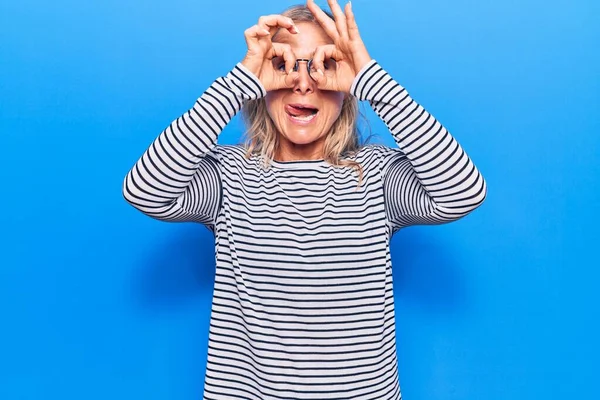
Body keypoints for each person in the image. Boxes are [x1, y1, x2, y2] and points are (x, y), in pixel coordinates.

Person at [122, 0, 487, 398]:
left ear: (346, 91)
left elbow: (462, 192)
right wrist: (240, 80)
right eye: (285, 66)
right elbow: (145, 190)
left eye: (323, 66)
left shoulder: (376, 175)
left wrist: (371, 80)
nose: (303, 82)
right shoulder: (229, 176)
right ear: (262, 86)